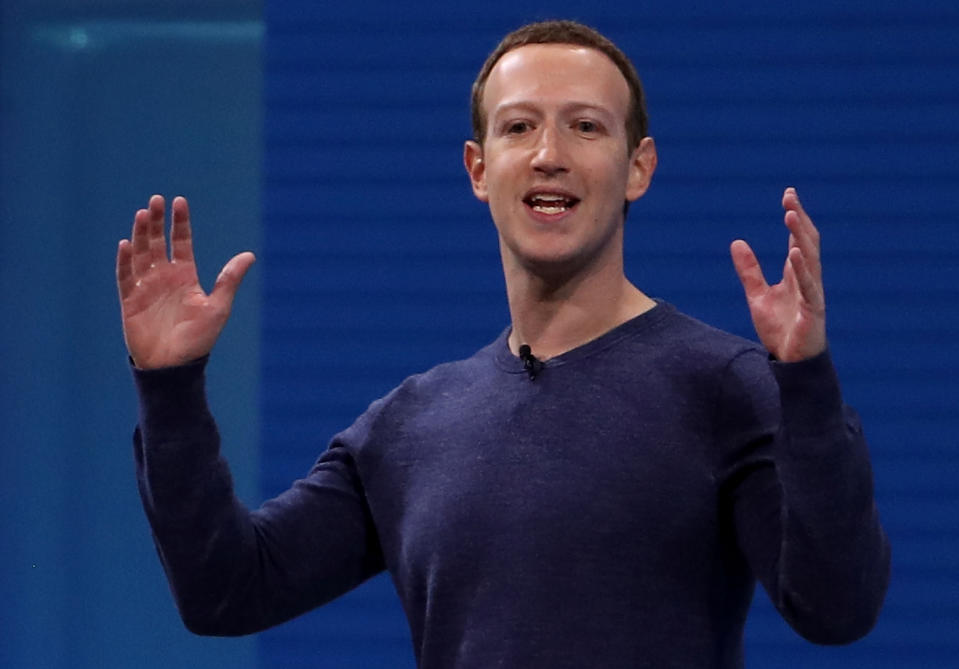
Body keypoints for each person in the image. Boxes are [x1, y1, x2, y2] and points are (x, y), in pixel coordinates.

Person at [116, 20, 890, 669]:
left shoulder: (722, 383)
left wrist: (808, 385)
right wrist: (171, 387)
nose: (549, 152)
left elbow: (835, 606)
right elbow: (227, 590)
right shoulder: (407, 426)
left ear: (638, 169)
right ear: (479, 169)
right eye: (519, 126)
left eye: (585, 126)